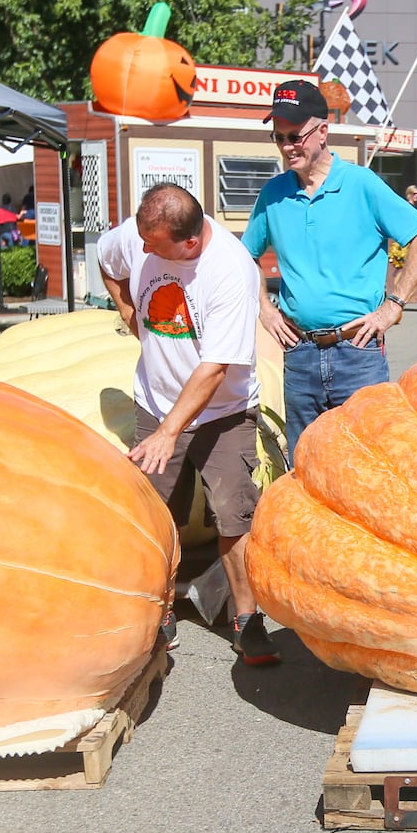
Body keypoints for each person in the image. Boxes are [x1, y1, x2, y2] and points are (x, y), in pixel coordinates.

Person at [99, 182, 278, 666]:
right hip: (155, 402)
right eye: (142, 239)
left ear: (190, 243)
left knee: (234, 515)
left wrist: (169, 432)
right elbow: (107, 258)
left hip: (224, 412)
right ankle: (160, 609)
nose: (142, 250)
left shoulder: (229, 270)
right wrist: (125, 307)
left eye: (154, 245)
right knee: (156, 516)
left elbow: (215, 369)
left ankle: (247, 622)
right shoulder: (140, 237)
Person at [243, 80, 417, 454]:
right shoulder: (273, 193)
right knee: (305, 463)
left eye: (295, 136)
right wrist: (264, 310)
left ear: (322, 131)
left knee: (367, 463)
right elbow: (244, 258)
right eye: (279, 137)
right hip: (299, 354)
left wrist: (393, 306)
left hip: (358, 353)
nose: (287, 146)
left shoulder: (361, 184)